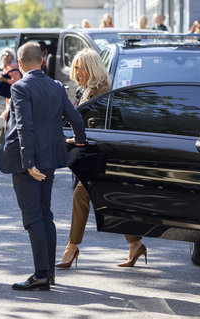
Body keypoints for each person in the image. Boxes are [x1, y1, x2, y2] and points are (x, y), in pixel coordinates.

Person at [4, 42, 86, 291]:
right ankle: (48, 273)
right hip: (49, 161)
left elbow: (24, 127)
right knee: (45, 214)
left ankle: (41, 274)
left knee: (33, 218)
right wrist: (80, 141)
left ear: (19, 63)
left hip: (29, 164)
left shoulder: (20, 87)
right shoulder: (56, 86)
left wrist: (28, 163)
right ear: (42, 61)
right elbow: (75, 117)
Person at [57, 49, 146, 270]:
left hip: (103, 156)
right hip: (92, 156)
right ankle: (135, 244)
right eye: (76, 68)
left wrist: (78, 137)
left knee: (81, 195)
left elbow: (100, 125)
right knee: (115, 199)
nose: (78, 73)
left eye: (82, 68)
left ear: (93, 69)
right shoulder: (84, 91)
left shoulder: (102, 93)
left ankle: (71, 247)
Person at [0, 48, 21, 123]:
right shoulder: (6, 67)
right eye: (3, 55)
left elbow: (17, 82)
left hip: (14, 95)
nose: (5, 57)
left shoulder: (13, 66)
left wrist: (4, 80)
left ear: (12, 56)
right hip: (9, 96)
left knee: (7, 115)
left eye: (7, 55)